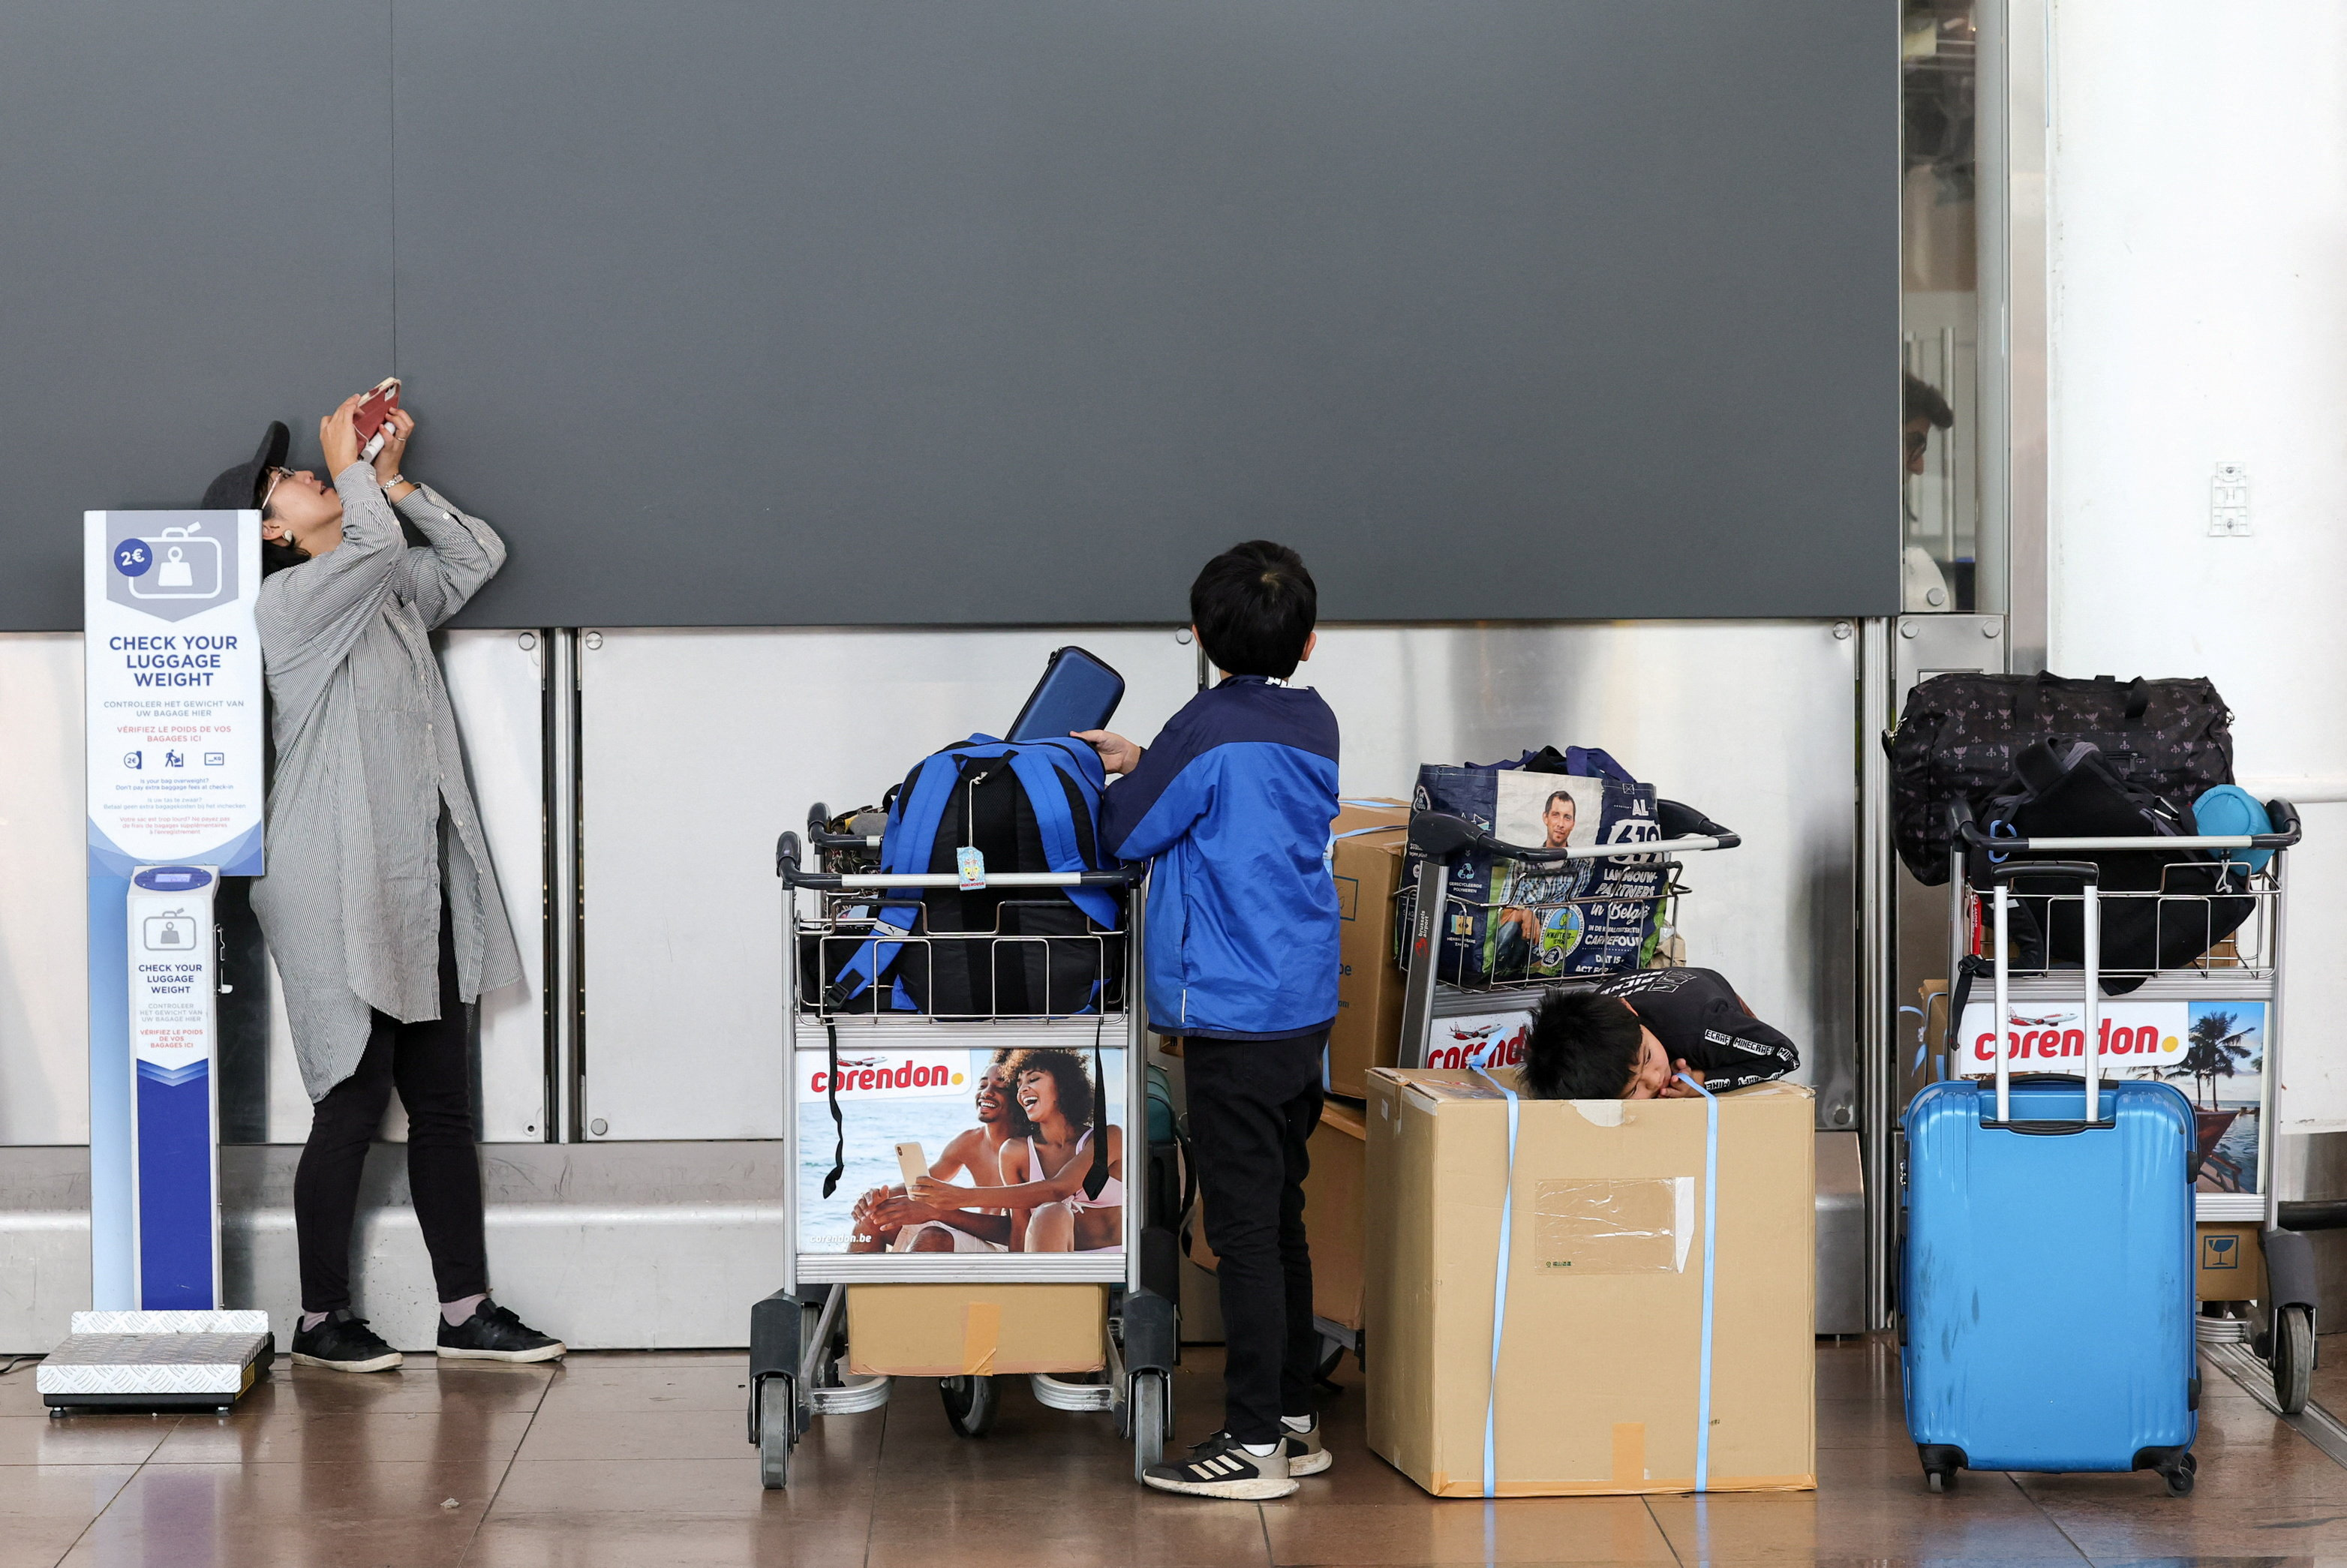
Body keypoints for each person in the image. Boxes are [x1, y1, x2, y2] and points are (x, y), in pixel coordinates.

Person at [203, 397, 561, 1372]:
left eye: (305, 468)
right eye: (290, 481)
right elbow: (369, 551)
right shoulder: (287, 603)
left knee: (441, 1102)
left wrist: (392, 475)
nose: (311, 475)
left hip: (413, 878)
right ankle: (321, 1320)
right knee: (352, 1098)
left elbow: (474, 555)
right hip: (331, 880)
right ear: (273, 531)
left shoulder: (384, 583)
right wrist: (354, 471)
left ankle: (464, 1309)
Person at [1076, 540, 1339, 1500]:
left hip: (1230, 1009)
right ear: (1309, 643)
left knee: (1239, 1229)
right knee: (1279, 1212)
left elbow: (1126, 829)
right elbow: (1239, 804)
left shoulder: (1207, 720)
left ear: (1196, 634)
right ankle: (1296, 1417)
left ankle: (1251, 1439)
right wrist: (1160, 758)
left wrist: (1130, 771)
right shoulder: (1313, 720)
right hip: (1300, 1004)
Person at [911, 1047, 1125, 1254]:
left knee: (1052, 1210)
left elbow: (1059, 1189)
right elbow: (1019, 1230)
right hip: (1053, 1269)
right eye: (1019, 1083)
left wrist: (964, 1197)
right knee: (1050, 1213)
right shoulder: (1016, 1152)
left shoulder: (1107, 1137)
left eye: (1033, 1079)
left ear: (1062, 1086)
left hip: (1108, 1267)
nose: (1023, 1089)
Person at [1519, 966, 1800, 1101]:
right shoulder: (1602, 1018)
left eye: (1648, 1057)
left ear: (1629, 1010)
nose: (1655, 1079)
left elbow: (1784, 1054)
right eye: (1633, 1090)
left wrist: (1702, 1081)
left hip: (1705, 999)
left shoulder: (1702, 1030)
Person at [851, 1051, 1018, 1253]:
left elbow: (1012, 1231)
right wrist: (873, 1197)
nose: (987, 1093)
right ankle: (850, 1285)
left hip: (1006, 1247)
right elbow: (920, 1186)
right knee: (873, 1219)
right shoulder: (969, 1141)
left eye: (1001, 1086)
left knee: (932, 1238)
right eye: (982, 1085)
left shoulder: (1026, 1148)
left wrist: (938, 1212)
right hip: (975, 1236)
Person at [1491, 786, 1594, 975]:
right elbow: (1501, 915)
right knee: (1513, 919)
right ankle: (1501, 972)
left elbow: (1581, 918)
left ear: (1573, 824)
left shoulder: (1582, 868)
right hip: (1519, 945)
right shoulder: (1523, 862)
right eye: (1556, 815)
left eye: (1567, 817)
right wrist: (1524, 913)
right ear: (1545, 818)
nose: (1560, 824)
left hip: (1559, 949)